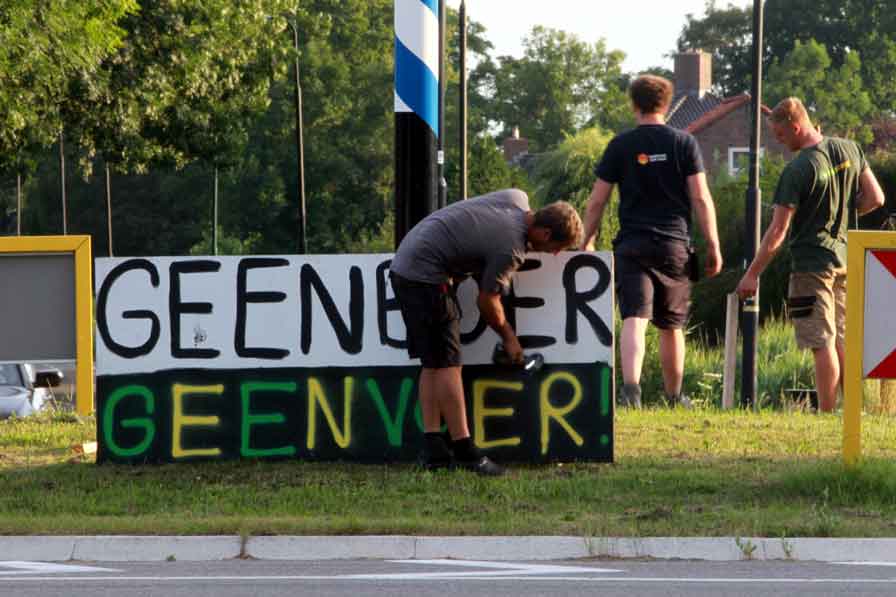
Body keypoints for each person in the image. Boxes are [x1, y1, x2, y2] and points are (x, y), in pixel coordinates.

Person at [389, 189, 583, 475]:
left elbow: (476, 238)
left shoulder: (516, 198)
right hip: (425, 276)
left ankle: (434, 450)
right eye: (556, 246)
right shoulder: (511, 248)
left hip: (407, 263)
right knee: (449, 367)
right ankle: (466, 451)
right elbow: (487, 301)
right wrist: (509, 338)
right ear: (542, 231)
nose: (554, 253)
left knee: (433, 363)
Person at [581, 74, 723, 409]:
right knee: (672, 325)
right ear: (668, 104)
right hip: (673, 245)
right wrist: (713, 244)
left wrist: (586, 240)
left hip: (631, 246)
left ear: (634, 104)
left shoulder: (621, 145)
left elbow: (597, 200)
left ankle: (631, 392)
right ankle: (675, 397)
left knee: (634, 317)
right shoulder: (683, 143)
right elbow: (701, 198)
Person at [736, 97, 885, 413]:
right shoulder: (850, 149)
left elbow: (777, 231)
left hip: (810, 265)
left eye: (780, 136)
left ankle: (827, 412)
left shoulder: (798, 169)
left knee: (821, 340)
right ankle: (853, 411)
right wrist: (844, 210)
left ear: (795, 126)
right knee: (842, 337)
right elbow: (875, 197)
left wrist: (752, 274)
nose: (780, 143)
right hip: (845, 259)